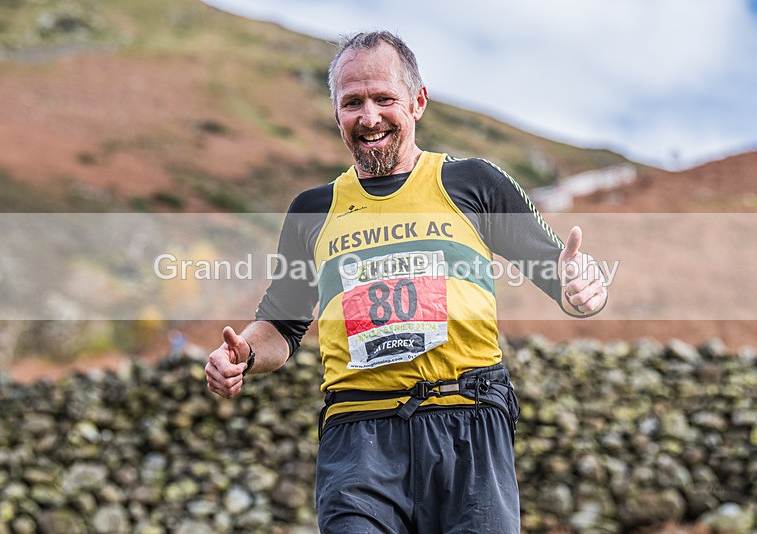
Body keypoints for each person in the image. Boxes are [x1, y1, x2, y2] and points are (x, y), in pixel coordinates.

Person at [205, 30, 608, 533]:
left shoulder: (472, 183)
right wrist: (242, 354)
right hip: (358, 440)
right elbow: (281, 329)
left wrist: (584, 290)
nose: (369, 117)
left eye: (383, 99)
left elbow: (563, 274)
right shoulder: (313, 211)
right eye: (352, 102)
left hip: (470, 426)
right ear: (336, 114)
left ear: (417, 102)